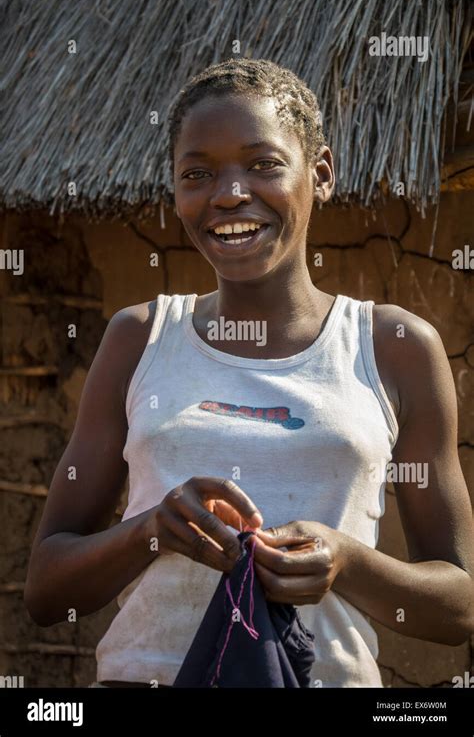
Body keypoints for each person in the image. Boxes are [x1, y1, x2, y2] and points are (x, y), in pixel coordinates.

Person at [24, 58, 474, 688]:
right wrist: (151, 532)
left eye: (263, 164)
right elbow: (46, 591)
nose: (228, 193)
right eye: (197, 173)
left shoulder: (394, 347)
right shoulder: (140, 338)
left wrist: (347, 563)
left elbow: (459, 606)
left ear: (320, 174)